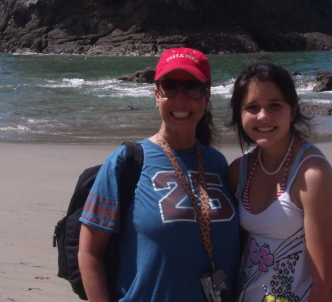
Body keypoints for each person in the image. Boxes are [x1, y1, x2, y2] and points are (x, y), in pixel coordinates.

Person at [78, 47, 240, 301]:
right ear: (156, 95)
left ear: (206, 97)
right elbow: (89, 252)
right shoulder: (126, 162)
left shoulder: (217, 162)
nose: (181, 98)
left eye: (193, 88)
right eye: (170, 86)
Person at [227, 62, 332, 302]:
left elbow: (327, 284)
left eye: (274, 106)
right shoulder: (239, 171)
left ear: (293, 110)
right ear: (240, 113)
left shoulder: (312, 175)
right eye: (252, 107)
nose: (263, 116)